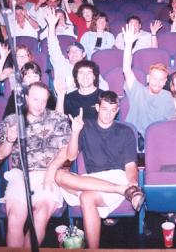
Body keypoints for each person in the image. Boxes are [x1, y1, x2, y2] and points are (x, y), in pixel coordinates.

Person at [54, 91, 145, 249]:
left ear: (117, 110)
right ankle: (123, 190)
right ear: (97, 107)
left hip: (116, 176)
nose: (108, 114)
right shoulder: (85, 126)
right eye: (104, 109)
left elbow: (130, 165)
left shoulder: (126, 132)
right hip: (92, 179)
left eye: (112, 110)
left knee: (87, 197)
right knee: (59, 175)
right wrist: (75, 132)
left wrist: (132, 181)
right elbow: (71, 155)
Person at [0, 82, 70, 247]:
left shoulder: (57, 119)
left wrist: (51, 169)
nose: (40, 105)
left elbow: (66, 150)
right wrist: (9, 139)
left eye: (44, 101)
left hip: (48, 175)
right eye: (36, 99)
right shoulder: (11, 120)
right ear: (26, 98)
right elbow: (0, 154)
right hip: (20, 175)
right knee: (15, 218)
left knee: (40, 215)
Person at [122, 23, 175, 144]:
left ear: (166, 81)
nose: (157, 82)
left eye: (161, 79)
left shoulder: (168, 97)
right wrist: (129, 44)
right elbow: (126, 69)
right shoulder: (137, 90)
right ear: (148, 78)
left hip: (157, 139)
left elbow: (172, 121)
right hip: (133, 138)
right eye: (154, 78)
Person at [46, 9, 109, 93]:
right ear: (67, 55)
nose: (73, 53)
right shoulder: (61, 63)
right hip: (67, 101)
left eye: (77, 51)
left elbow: (104, 87)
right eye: (70, 51)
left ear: (84, 54)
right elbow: (53, 46)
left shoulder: (90, 68)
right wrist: (51, 26)